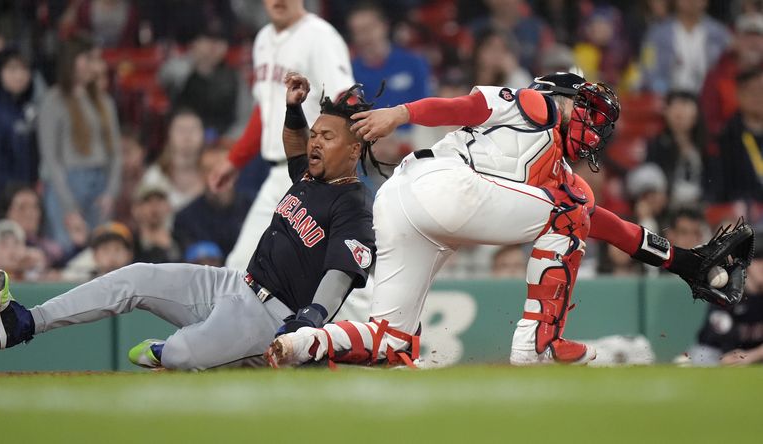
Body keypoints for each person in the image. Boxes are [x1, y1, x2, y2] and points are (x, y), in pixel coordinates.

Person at [267, 72, 743, 368]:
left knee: (392, 343)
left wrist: (681, 260)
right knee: (570, 211)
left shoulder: (567, 184)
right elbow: (466, 107)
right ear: (562, 97)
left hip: (404, 203)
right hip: (441, 184)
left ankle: (300, 343)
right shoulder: (537, 107)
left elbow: (614, 229)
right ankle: (538, 343)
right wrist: (402, 113)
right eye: (589, 113)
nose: (594, 127)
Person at [0, 73, 376, 372]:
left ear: (354, 149)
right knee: (134, 276)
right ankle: (24, 322)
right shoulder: (310, 175)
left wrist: (309, 322)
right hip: (235, 283)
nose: (315, 142)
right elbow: (294, 146)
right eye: (316, 134)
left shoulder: (354, 205)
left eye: (327, 136)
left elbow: (340, 274)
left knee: (181, 353)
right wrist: (293, 109)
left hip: (272, 317)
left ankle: (175, 354)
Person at [209, 0, 355, 271]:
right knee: (240, 264)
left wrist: (336, 164)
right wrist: (235, 160)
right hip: (280, 174)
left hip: (317, 173)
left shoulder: (320, 35)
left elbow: (345, 99)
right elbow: (265, 108)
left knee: (338, 266)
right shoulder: (263, 39)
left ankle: (380, 315)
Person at [38, 35, 121, 253]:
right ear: (72, 60)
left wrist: (111, 192)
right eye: (89, 59)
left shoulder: (104, 101)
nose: (96, 66)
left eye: (98, 60)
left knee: (101, 251)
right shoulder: (53, 100)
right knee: (67, 249)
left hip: (99, 182)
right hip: (67, 182)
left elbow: (115, 152)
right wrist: (68, 206)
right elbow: (51, 158)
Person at [0, 48, 39, 226]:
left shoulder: (29, 109)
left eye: (24, 69)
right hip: (2, 201)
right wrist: (14, 199)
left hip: (28, 197)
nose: (19, 75)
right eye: (12, 69)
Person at [173, 146, 252, 255]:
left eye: (222, 169)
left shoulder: (254, 208)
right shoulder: (185, 219)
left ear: (235, 172)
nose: (217, 176)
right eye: (209, 170)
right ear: (200, 174)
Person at [640, 0, 731, 94]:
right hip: (669, 98)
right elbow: (648, 67)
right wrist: (664, 93)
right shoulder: (655, 35)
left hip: (709, 99)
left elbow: (727, 71)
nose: (691, 1)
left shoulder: (720, 34)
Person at [705, 66, 763, 206]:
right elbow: (720, 189)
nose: (759, 96)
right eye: (753, 91)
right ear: (739, 95)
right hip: (743, 214)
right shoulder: (726, 138)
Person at [700, 13, 763, 139]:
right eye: (747, 36)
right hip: (729, 146)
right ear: (735, 41)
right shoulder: (716, 76)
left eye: (759, 36)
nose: (753, 42)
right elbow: (709, 121)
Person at [645, 91, 707, 209]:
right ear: (666, 113)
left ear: (695, 117)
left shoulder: (706, 147)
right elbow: (652, 175)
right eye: (677, 114)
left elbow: (714, 184)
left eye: (685, 113)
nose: (680, 118)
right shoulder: (657, 145)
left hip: (700, 206)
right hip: (669, 206)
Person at [139, 109, 205, 213]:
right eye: (181, 130)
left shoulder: (213, 176)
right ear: (169, 135)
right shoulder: (154, 176)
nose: (187, 136)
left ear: (203, 135)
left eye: (193, 130)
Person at [131, 185, 179, 263]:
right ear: (136, 209)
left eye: (160, 200)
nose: (154, 206)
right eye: (147, 201)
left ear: (169, 207)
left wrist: (169, 247)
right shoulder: (129, 242)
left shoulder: (180, 240)